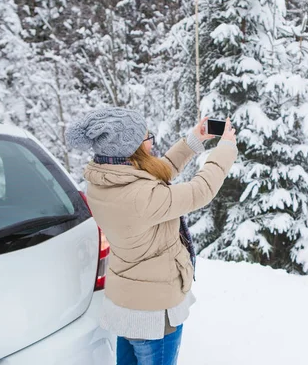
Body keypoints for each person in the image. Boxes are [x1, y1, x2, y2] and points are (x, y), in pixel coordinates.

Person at [66, 107, 238, 365]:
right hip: (153, 314)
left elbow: (155, 172)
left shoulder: (104, 181)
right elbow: (200, 190)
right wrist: (225, 149)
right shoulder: (141, 197)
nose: (151, 144)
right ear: (132, 149)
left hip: (126, 306)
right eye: (147, 139)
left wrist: (193, 141)